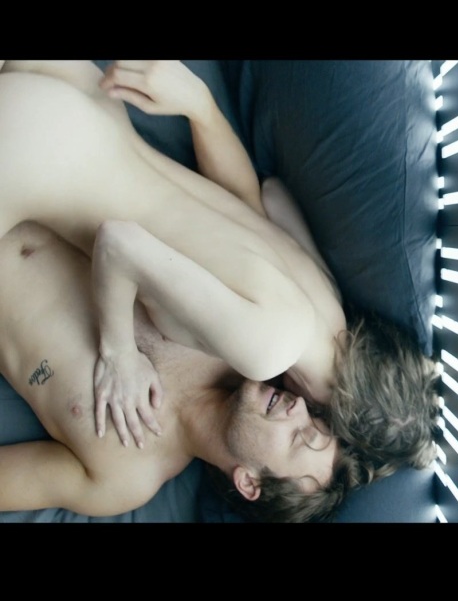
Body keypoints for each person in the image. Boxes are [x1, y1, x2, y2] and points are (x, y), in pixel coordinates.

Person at [0, 60, 439, 478]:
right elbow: (118, 245)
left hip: (85, 99)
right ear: (332, 421)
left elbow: (270, 195)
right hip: (36, 159)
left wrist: (199, 103)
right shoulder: (267, 349)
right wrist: (120, 355)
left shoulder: (326, 296)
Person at [0, 221, 362, 521]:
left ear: (249, 483)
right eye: (312, 418)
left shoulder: (124, 477)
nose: (298, 407)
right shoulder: (233, 338)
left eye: (298, 437)